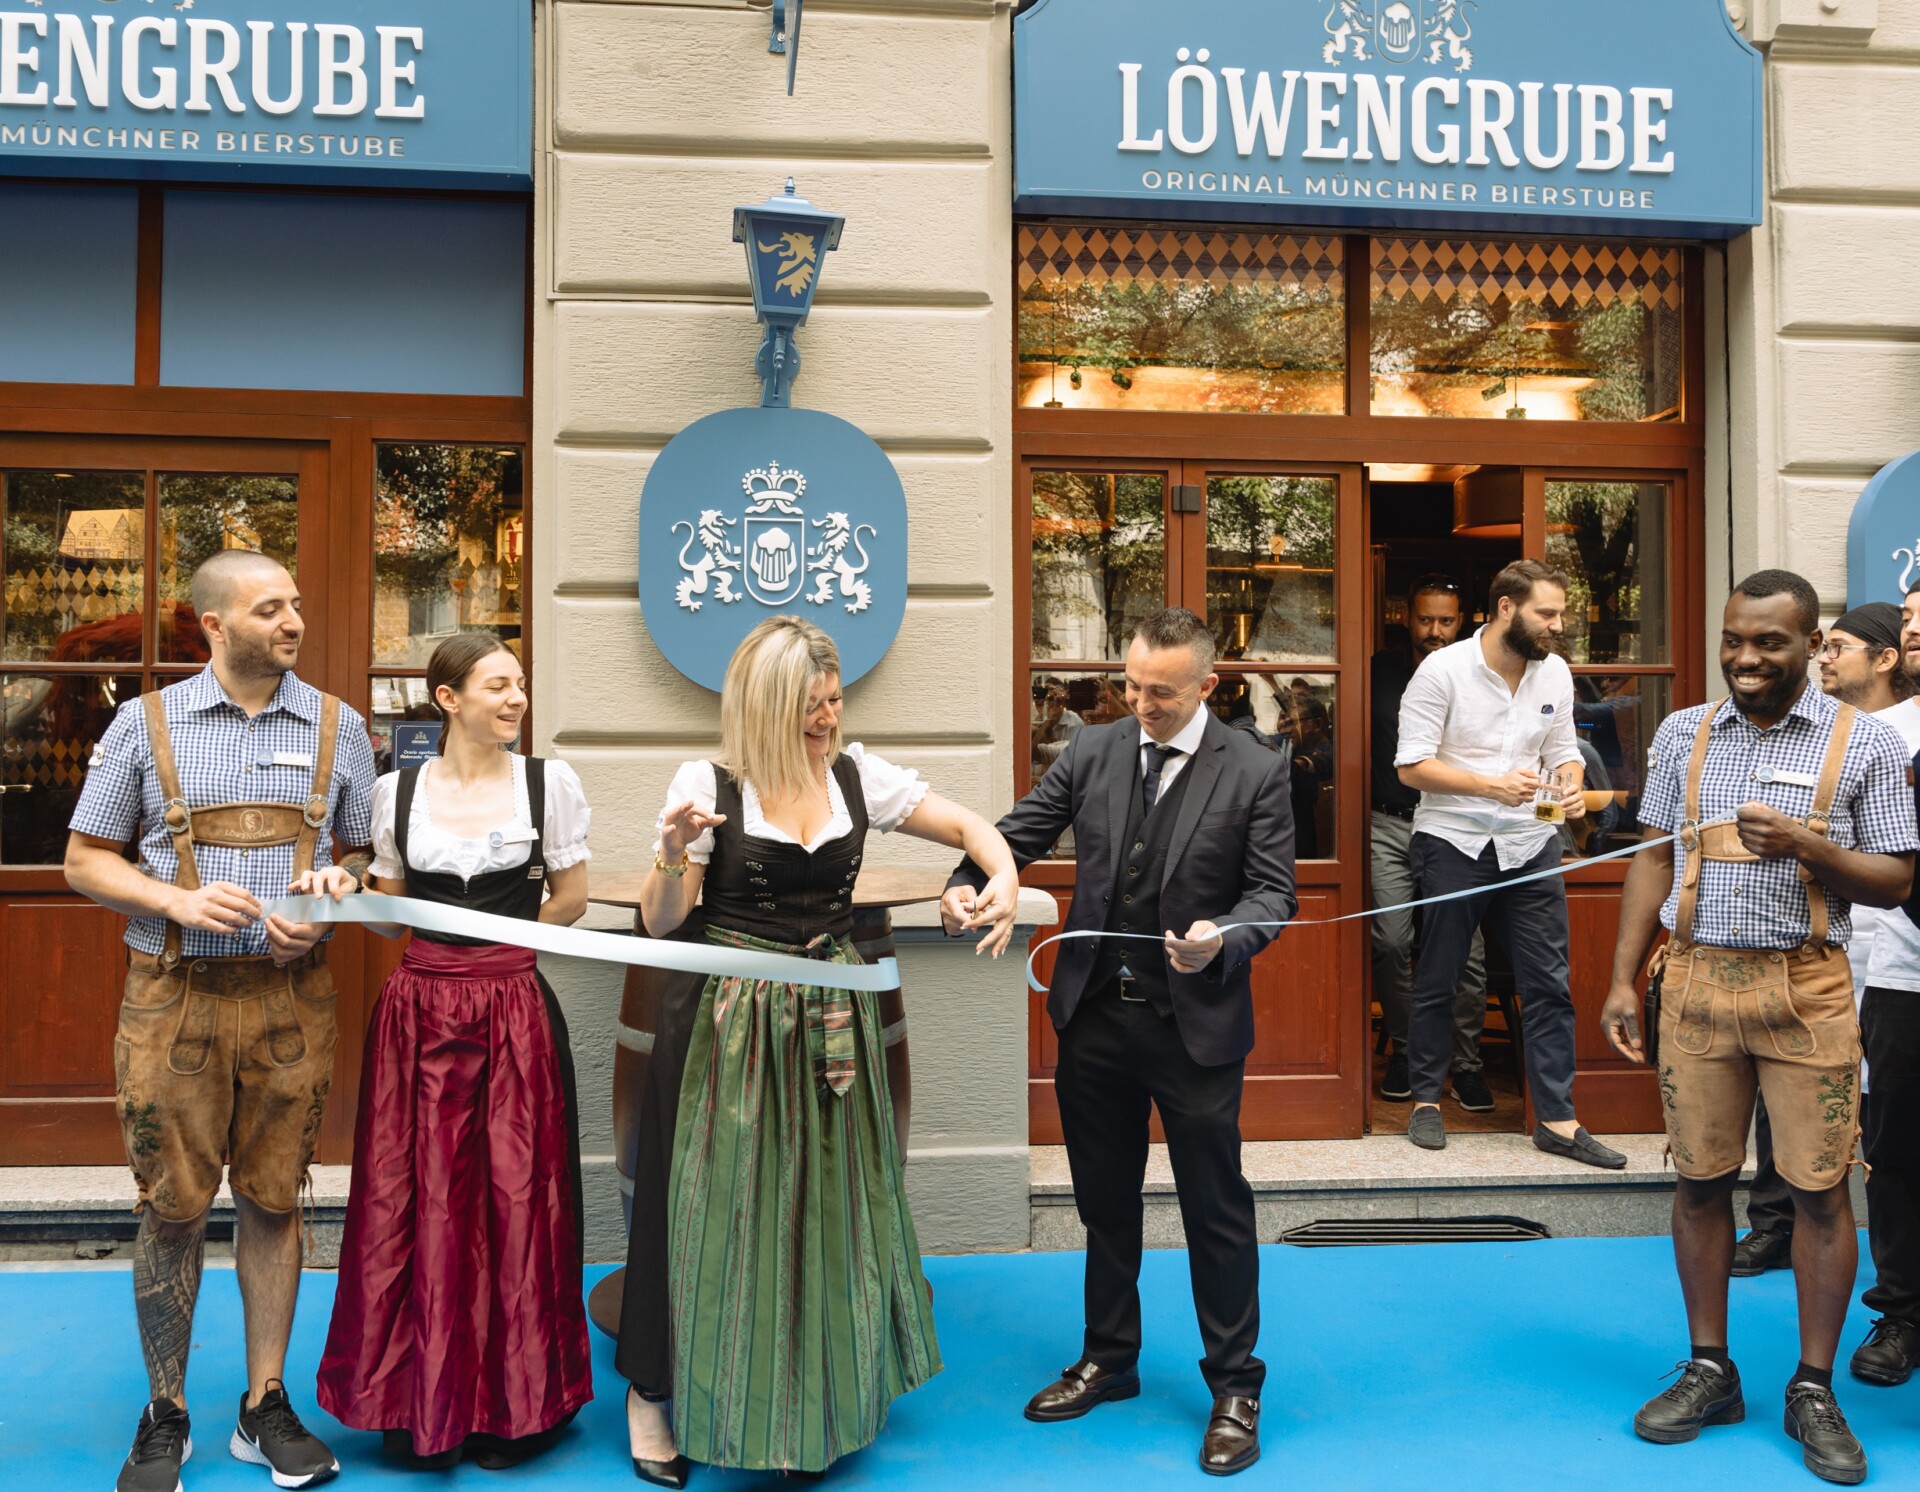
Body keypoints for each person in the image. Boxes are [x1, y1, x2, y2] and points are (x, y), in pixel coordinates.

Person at [617, 615, 1020, 1482]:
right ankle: (651, 1393)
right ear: (764, 705)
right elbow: (663, 920)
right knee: (702, 1210)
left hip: (832, 1016)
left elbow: (968, 828)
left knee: (827, 1201)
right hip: (727, 1023)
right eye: (810, 705)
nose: (828, 718)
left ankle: (816, 1396)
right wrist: (673, 850)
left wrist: (1004, 874)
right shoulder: (709, 783)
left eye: (834, 701)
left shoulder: (856, 776)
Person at [946, 606, 1295, 1478]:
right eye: (1132, 685)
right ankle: (1109, 1358)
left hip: (1195, 1026)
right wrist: (965, 881)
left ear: (1208, 685)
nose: (1141, 702)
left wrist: (1224, 938)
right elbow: (1015, 836)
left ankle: (1235, 1386)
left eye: (1161, 692)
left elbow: (1273, 894)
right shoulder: (1093, 750)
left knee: (1216, 1209)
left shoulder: (1256, 769)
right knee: (1104, 1202)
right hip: (1094, 1016)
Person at [64, 551, 377, 1492]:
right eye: (269, 608)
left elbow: (366, 858)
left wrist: (331, 896)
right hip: (173, 1001)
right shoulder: (143, 723)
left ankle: (263, 1404)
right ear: (214, 625)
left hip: (292, 1003)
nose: (293, 622)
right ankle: (166, 1410)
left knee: (276, 1199)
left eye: (296, 605)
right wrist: (176, 900)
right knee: (172, 1206)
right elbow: (84, 860)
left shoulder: (339, 726)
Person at [1600, 569, 1917, 1485]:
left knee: (1819, 1192)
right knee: (1700, 1181)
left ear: (1811, 645)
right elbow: (1654, 859)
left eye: (1768, 643)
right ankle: (1711, 1370)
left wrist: (1808, 845)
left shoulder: (1863, 741)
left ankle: (1812, 1387)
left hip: (1808, 989)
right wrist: (1621, 979)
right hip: (1695, 984)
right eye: (1734, 640)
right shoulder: (1683, 732)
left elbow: (1898, 878)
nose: (1745, 658)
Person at [314, 635, 594, 1470]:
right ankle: (419, 1404)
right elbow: (392, 919)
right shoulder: (396, 792)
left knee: (517, 1196)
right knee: (416, 1195)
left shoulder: (548, 785)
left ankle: (517, 1405)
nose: (516, 699)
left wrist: (499, 957)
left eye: (521, 684)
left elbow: (571, 900)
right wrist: (347, 889)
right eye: (498, 685)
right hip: (419, 1012)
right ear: (448, 698)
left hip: (513, 1008)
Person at [1394, 560, 1622, 1165]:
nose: (1558, 625)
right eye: (1546, 613)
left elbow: (1565, 751)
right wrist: (1490, 786)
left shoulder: (1556, 673)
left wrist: (1571, 785)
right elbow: (1411, 767)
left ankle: (1558, 1120)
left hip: (1530, 841)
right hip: (1452, 841)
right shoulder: (1441, 671)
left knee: (1548, 983)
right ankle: (1424, 1102)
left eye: (1559, 614)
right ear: (1505, 608)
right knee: (1439, 977)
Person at [1735, 600, 1914, 1277]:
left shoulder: (1893, 737)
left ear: (1884, 659)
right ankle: (1775, 1222)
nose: (1824, 659)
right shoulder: (1808, 729)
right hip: (1814, 943)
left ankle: (1828, 1231)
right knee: (1785, 1084)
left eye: (1839, 647)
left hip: (1887, 945)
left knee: (1863, 1107)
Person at [1370, 575, 1493, 1110]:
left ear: (1461, 620)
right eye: (1425, 619)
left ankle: (1466, 1064)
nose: (1435, 631)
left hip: (1455, 822)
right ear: (1406, 617)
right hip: (1388, 822)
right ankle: (1406, 1050)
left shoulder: (1480, 673)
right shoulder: (1376, 671)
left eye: (1445, 620)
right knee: (1391, 941)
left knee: (1467, 951)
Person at [1846, 582, 1920, 1388]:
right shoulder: (1882, 736)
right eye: (1910, 619)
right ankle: (1902, 1311)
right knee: (1893, 1149)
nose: (1914, 630)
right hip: (1904, 974)